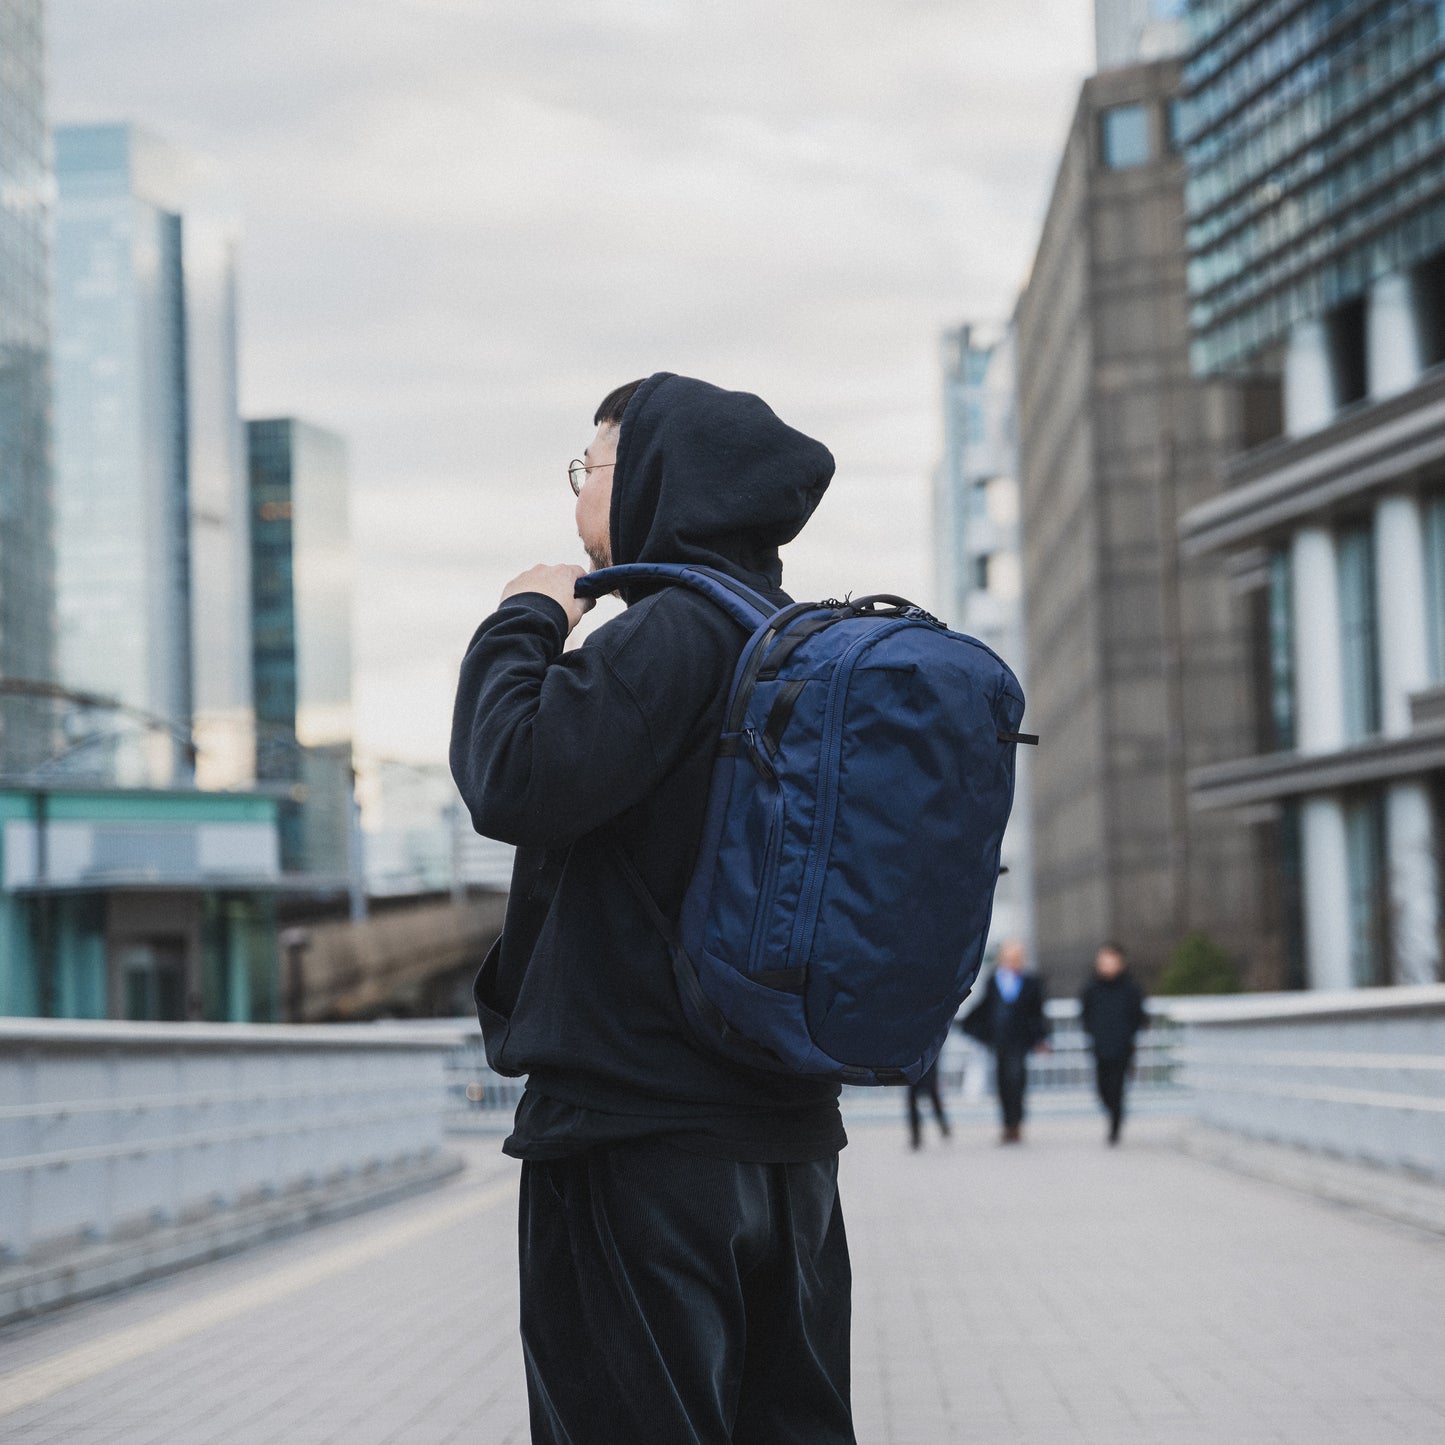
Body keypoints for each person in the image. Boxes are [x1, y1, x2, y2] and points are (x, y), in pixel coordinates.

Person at [450, 374, 855, 1445]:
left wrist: (521, 620)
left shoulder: (666, 635)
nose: (580, 492)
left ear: (655, 479)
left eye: (590, 467)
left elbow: (515, 778)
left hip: (640, 1131)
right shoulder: (799, 643)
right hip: (787, 1136)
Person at [960, 938, 1049, 1143]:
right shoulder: (994, 980)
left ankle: (1016, 1122)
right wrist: (973, 1029)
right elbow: (985, 1008)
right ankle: (1007, 1123)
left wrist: (1041, 1039)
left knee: (1016, 1080)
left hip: (1020, 1040)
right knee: (1002, 1082)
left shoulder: (1030, 982)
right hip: (999, 1040)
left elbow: (1036, 1014)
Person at [1079, 941, 1148, 1145]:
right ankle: (1114, 1114)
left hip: (1122, 1047)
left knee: (1117, 1087)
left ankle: (1115, 1126)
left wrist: (1128, 1035)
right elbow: (1085, 1014)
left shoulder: (1131, 988)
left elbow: (1139, 1016)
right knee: (1102, 1089)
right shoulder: (1091, 988)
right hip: (1100, 1046)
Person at [906, 1059, 951, 1150]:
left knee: (931, 1099)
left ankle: (917, 1136)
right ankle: (916, 1136)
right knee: (916, 1102)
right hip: (919, 1068)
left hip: (921, 1068)